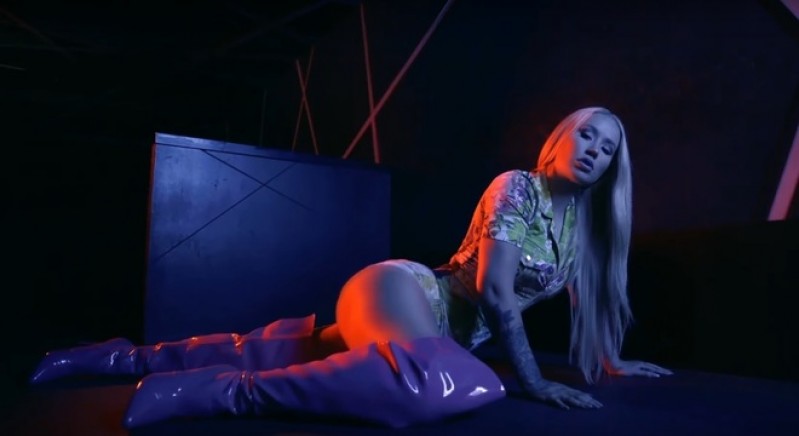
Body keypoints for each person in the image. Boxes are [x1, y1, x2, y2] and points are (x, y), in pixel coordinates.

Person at [30, 106, 671, 428]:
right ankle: (216, 393)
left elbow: (588, 300)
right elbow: (496, 294)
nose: (594, 150)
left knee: (287, 349)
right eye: (587, 134)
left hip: (418, 336)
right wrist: (533, 383)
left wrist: (611, 360)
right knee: (455, 383)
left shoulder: (580, 233)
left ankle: (116, 359)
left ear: (611, 170)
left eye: (608, 149)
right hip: (404, 291)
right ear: (559, 138)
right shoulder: (518, 188)